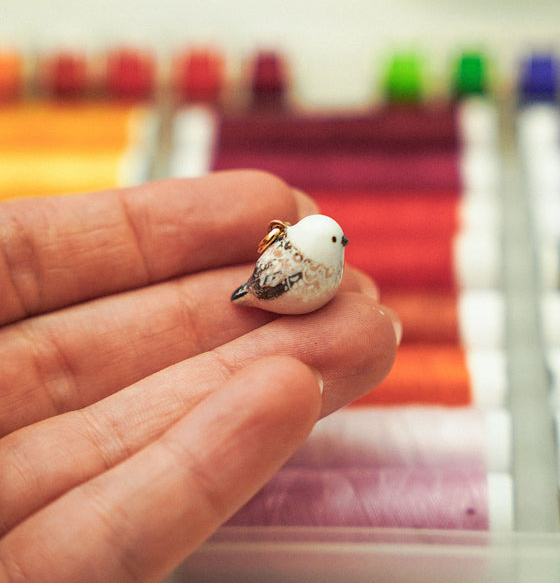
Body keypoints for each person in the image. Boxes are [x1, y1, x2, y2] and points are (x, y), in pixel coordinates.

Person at [0, 170, 400, 582]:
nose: (342, 244)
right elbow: (263, 285)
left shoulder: (323, 268)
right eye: (336, 240)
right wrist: (253, 293)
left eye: (338, 239)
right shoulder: (295, 266)